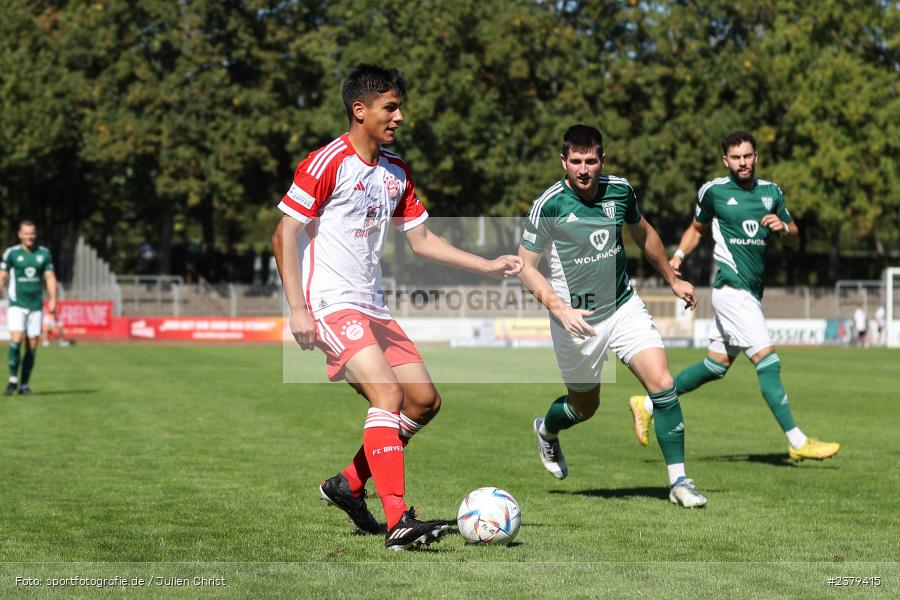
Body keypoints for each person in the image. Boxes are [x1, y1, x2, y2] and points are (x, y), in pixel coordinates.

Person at [272, 64, 523, 550]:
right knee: (386, 395)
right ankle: (398, 521)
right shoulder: (327, 162)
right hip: (329, 304)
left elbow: (423, 240)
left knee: (424, 402)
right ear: (359, 110)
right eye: (390, 107)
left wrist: (486, 265)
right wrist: (297, 308)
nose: (400, 116)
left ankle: (348, 482)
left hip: (374, 307)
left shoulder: (395, 170)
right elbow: (283, 232)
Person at [519, 124, 707, 508]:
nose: (584, 169)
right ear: (563, 162)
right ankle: (547, 429)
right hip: (577, 321)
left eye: (591, 161)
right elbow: (525, 266)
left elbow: (643, 233)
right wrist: (560, 308)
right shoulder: (549, 204)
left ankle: (679, 481)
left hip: (622, 305)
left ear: (602, 160)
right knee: (583, 408)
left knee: (663, 383)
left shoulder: (620, 190)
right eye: (576, 161)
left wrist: (672, 278)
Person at [629, 130, 839, 461]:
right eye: (736, 157)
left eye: (748, 156)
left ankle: (647, 403)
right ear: (726, 160)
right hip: (732, 290)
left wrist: (783, 230)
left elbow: (794, 236)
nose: (743, 162)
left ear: (756, 156)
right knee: (768, 362)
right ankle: (798, 441)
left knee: (715, 366)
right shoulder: (714, 192)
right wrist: (677, 259)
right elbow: (696, 230)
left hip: (751, 293)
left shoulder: (772, 193)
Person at [0, 220, 57, 395]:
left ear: (35, 234)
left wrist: (53, 299)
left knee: (32, 346)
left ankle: (24, 385)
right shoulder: (11, 253)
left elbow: (50, 277)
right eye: (26, 233)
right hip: (17, 304)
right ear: (19, 234)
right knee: (16, 340)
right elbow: (2, 276)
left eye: (32, 233)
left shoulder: (44, 254)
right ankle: (12, 380)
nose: (29, 236)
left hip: (36, 306)